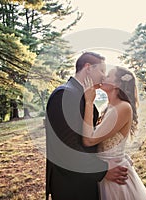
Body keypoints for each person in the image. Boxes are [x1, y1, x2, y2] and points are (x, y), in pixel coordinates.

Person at [45, 52, 128, 200]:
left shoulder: (83, 94)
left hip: (84, 180)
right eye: (101, 70)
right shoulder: (65, 95)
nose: (104, 76)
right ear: (88, 68)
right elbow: (67, 148)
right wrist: (102, 171)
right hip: (71, 184)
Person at [83, 66, 146, 200]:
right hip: (109, 171)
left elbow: (89, 140)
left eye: (108, 75)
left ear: (117, 85)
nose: (104, 77)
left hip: (116, 177)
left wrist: (88, 102)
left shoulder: (123, 107)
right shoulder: (109, 107)